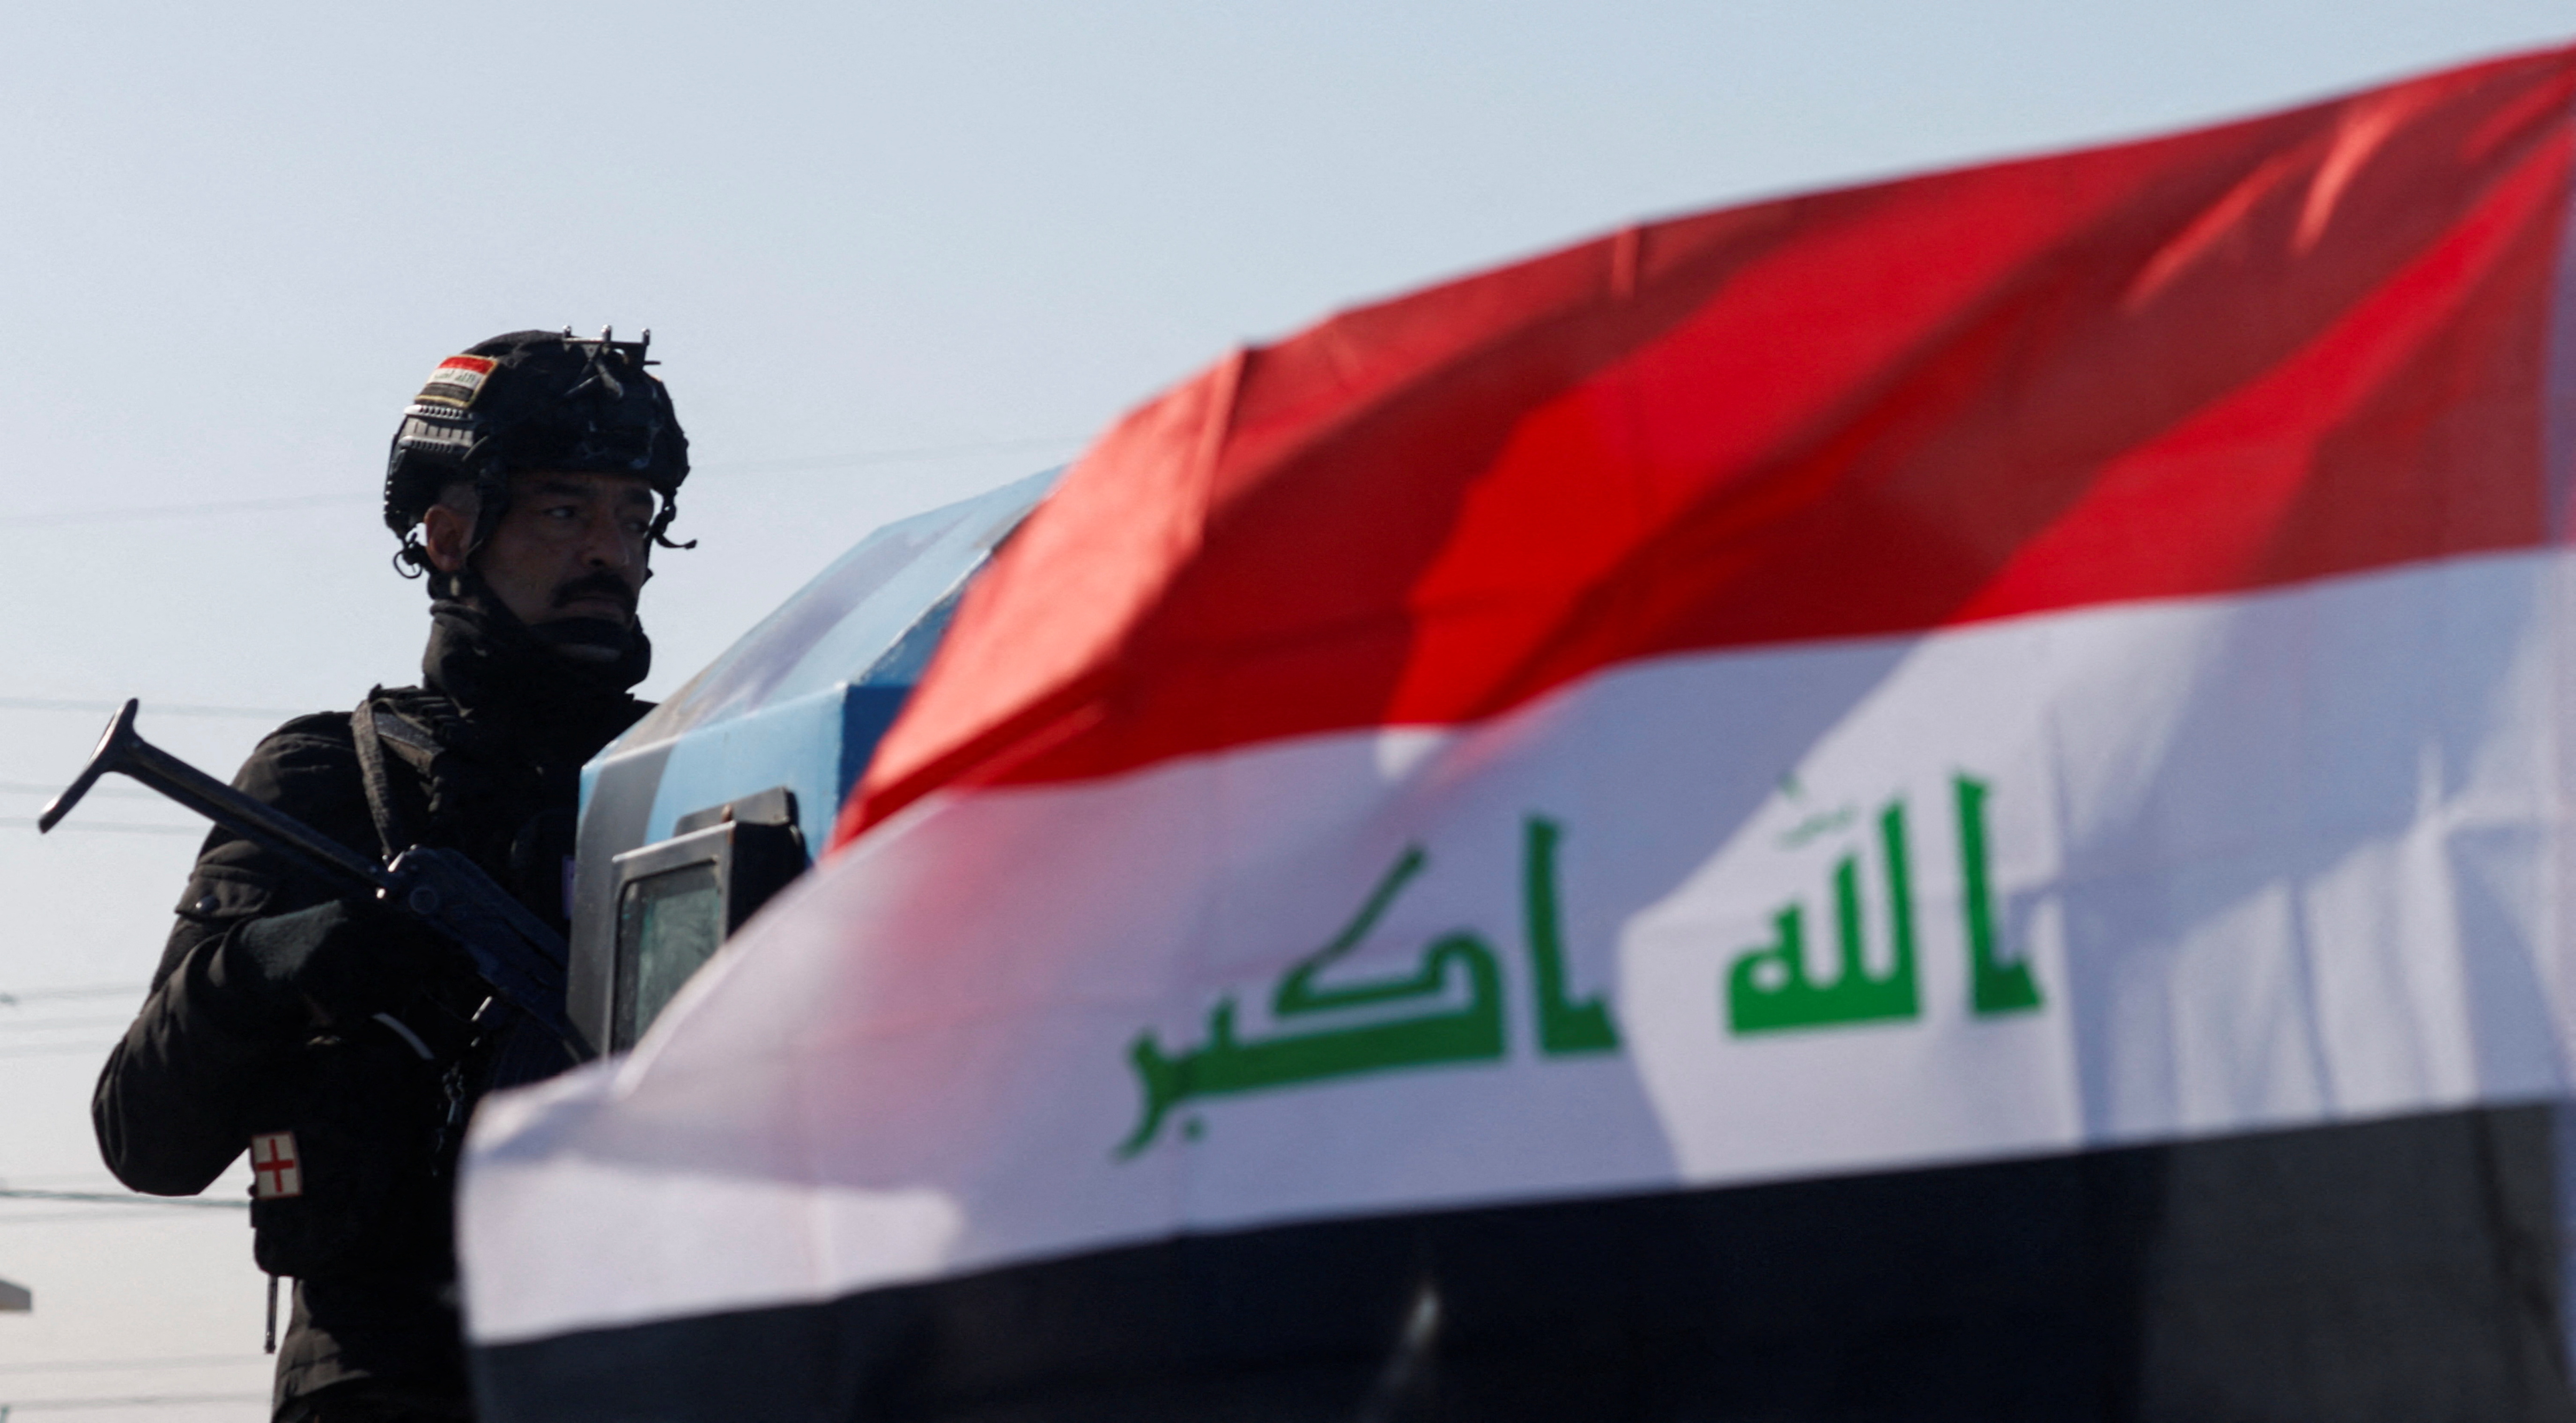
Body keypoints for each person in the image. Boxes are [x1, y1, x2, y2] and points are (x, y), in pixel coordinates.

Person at [91, 329, 691, 1422]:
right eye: (565, 510)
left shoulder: (701, 765)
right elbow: (146, 1136)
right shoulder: (332, 776)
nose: (610, 548)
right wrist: (285, 961)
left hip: (657, 1363)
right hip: (391, 1378)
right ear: (451, 532)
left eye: (632, 514)